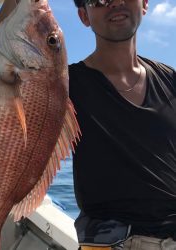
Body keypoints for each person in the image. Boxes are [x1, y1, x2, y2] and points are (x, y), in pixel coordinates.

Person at [69, 0, 176, 249]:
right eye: (99, 0)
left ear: (145, 4)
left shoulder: (171, 80)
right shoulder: (63, 86)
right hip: (111, 241)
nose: (115, 3)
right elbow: (8, 50)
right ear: (84, 16)